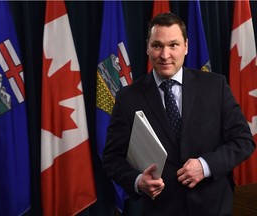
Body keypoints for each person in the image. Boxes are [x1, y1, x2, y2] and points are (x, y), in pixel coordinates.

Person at [102, 12, 256, 216]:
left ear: (186, 46)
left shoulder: (215, 86)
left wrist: (205, 165)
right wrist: (138, 181)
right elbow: (112, 158)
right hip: (160, 210)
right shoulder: (127, 98)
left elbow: (244, 141)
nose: (165, 55)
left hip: (213, 208)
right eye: (157, 45)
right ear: (148, 47)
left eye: (173, 45)